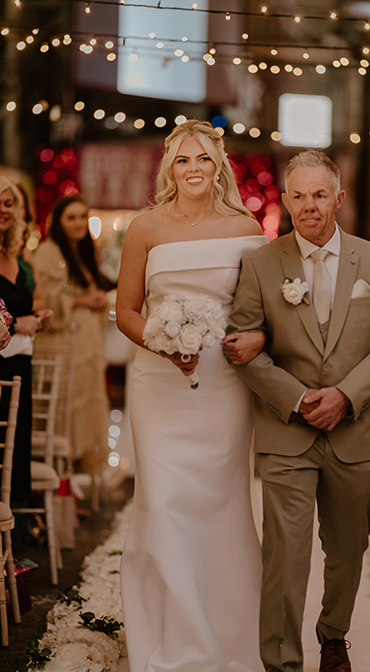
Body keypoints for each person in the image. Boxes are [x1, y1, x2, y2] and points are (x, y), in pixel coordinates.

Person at [227, 150, 370, 672]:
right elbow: (241, 346)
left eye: (320, 194)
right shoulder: (261, 264)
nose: (310, 205)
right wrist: (298, 398)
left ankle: (333, 635)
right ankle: (282, 662)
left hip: (354, 430)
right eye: (300, 195)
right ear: (286, 200)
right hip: (288, 430)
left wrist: (346, 396)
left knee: (348, 549)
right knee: (284, 556)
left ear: (339, 198)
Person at [115, 120, 268, 672]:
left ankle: (226, 636)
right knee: (161, 503)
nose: (195, 168)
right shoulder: (145, 228)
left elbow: (261, 309)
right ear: (170, 168)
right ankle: (169, 639)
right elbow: (127, 311)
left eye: (203, 158)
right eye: (184, 160)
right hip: (158, 386)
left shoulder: (245, 226)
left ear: (219, 164)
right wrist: (159, 342)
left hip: (224, 387)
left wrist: (252, 340)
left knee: (220, 505)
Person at [34, 195, 110, 499]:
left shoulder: (83, 254)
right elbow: (43, 300)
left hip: (85, 352)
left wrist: (98, 301)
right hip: (61, 351)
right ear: (58, 221)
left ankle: (69, 491)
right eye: (71, 218)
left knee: (83, 416)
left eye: (82, 217)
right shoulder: (49, 252)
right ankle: (58, 491)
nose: (78, 224)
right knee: (60, 419)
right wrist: (81, 301)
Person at [0, 176, 51, 537]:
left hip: (20, 363)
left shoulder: (17, 255)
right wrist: (20, 323)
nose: (4, 209)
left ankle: (15, 533)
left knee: (16, 448)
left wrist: (38, 320)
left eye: (9, 203)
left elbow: (33, 303)